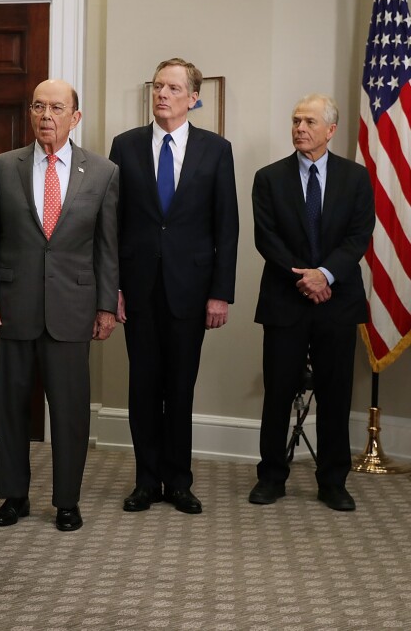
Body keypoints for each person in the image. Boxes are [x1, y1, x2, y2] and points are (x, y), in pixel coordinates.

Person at [0, 79, 119, 532]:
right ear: (30, 114)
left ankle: (67, 500)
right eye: (39, 106)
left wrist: (105, 306)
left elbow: (107, 248)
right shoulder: (2, 167)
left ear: (74, 117)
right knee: (10, 407)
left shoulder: (102, 172)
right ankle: (13, 496)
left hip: (73, 307)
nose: (47, 115)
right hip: (13, 303)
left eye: (57, 107)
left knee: (70, 411)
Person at [108, 58, 239, 515]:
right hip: (138, 287)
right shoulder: (124, 146)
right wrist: (114, 288)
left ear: (192, 97)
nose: (162, 93)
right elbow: (114, 224)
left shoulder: (215, 150)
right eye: (158, 86)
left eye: (172, 87)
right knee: (142, 388)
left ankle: (178, 481)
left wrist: (220, 292)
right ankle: (146, 481)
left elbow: (227, 227)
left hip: (192, 288)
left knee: (180, 388)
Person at [249, 94, 374, 511]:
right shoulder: (268, 177)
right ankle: (271, 476)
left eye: (310, 121)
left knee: (336, 394)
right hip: (286, 299)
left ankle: (333, 482)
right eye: (296, 120)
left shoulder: (356, 178)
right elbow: (266, 238)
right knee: (278, 392)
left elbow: (359, 235)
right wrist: (305, 277)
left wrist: (326, 275)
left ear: (331, 130)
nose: (300, 128)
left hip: (338, 302)